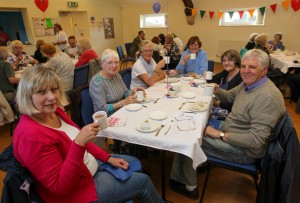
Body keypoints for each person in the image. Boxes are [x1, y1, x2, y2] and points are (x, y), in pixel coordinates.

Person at [13, 65, 164, 203]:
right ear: (27, 95)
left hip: (86, 168)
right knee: (143, 181)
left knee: (134, 162)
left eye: (54, 90)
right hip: (77, 191)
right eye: (41, 92)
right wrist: (78, 144)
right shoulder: (31, 136)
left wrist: (108, 158)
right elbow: (60, 187)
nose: (52, 97)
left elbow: (84, 143)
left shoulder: (55, 112)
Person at [169, 49, 285, 199]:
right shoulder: (249, 84)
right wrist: (216, 88)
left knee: (188, 138)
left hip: (244, 151)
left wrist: (220, 134)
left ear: (264, 70)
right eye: (243, 66)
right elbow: (229, 96)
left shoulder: (267, 97)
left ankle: (187, 185)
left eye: (252, 67)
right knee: (192, 124)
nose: (246, 71)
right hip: (232, 133)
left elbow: (256, 141)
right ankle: (196, 164)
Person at [90, 49, 145, 115]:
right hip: (108, 118)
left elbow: (125, 93)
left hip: (122, 111)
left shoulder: (116, 75)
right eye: (110, 62)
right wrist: (123, 103)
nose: (114, 66)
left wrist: (133, 91)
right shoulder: (97, 82)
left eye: (116, 62)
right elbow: (102, 109)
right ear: (102, 64)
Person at [209, 49, 243, 120]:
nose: (226, 63)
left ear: (236, 61)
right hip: (218, 104)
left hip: (230, 112)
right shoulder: (226, 72)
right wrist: (207, 76)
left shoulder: (241, 77)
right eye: (224, 60)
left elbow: (236, 102)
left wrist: (218, 103)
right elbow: (212, 79)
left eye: (230, 60)